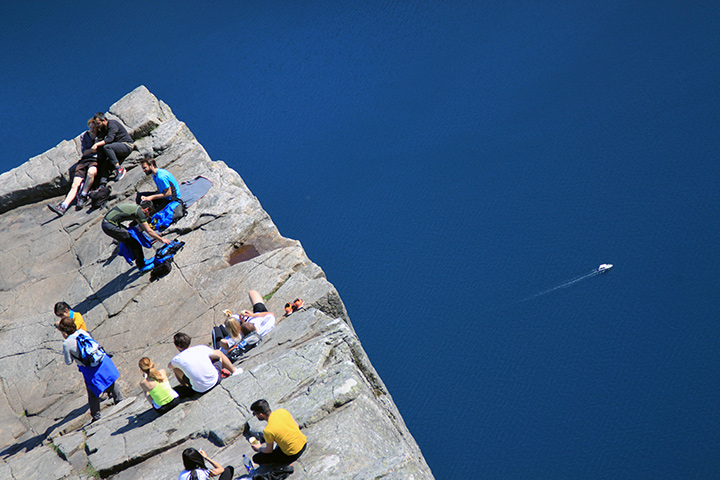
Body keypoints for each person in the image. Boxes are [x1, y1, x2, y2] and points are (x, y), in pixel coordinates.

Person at [58, 317, 123, 422]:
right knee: (110, 380)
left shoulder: (67, 343)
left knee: (93, 392)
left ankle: (96, 415)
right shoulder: (83, 332)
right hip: (101, 360)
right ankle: (119, 400)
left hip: (88, 368)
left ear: (64, 331)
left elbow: (68, 362)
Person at [48, 119, 100, 216]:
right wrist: (92, 150)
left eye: (94, 127)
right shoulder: (84, 136)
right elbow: (84, 152)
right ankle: (63, 206)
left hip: (95, 161)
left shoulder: (100, 135)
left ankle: (83, 195)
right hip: (84, 161)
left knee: (91, 173)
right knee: (75, 184)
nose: (92, 129)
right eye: (91, 127)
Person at [101, 201, 171, 271]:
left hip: (109, 223)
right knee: (135, 241)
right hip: (110, 226)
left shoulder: (137, 209)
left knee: (132, 238)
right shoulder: (140, 212)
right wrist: (161, 239)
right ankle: (141, 265)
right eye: (150, 212)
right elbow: (148, 230)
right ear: (146, 209)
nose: (148, 215)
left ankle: (141, 261)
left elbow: (141, 225)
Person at [169, 332, 241, 398]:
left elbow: (169, 366)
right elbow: (218, 354)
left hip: (199, 390)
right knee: (219, 354)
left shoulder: (177, 359)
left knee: (175, 368)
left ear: (177, 346)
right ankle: (234, 371)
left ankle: (185, 386)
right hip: (215, 380)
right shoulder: (200, 348)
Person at [250, 399, 307, 466]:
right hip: (304, 443)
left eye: (254, 414)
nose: (255, 416)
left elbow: (269, 450)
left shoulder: (268, 430)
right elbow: (296, 425)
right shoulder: (282, 411)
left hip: (292, 455)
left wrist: (259, 448)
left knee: (256, 458)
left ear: (261, 414)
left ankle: (278, 465)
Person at [138, 157, 185, 223]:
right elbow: (159, 191)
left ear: (151, 165)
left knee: (151, 216)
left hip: (172, 199)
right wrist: (147, 198)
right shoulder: (155, 175)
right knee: (140, 198)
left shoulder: (161, 176)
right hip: (165, 196)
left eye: (145, 168)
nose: (143, 170)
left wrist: (151, 197)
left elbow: (169, 193)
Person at [93, 112, 134, 182]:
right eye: (96, 124)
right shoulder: (103, 129)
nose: (97, 126)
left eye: (98, 123)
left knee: (107, 147)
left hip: (126, 145)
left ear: (104, 120)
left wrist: (97, 144)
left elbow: (110, 139)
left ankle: (119, 169)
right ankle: (102, 184)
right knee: (105, 165)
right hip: (117, 149)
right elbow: (100, 138)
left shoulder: (112, 124)